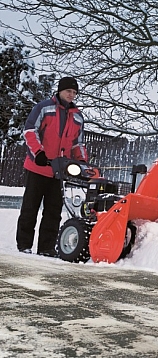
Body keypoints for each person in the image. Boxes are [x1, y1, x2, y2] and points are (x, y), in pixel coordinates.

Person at [16, 76, 88, 256]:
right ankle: (24, 245)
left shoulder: (78, 117)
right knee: (30, 208)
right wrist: (38, 153)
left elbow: (77, 144)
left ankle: (46, 248)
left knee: (53, 212)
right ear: (60, 90)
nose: (71, 95)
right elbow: (30, 131)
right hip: (38, 167)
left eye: (74, 92)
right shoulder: (44, 108)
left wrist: (82, 162)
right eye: (68, 91)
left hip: (59, 172)